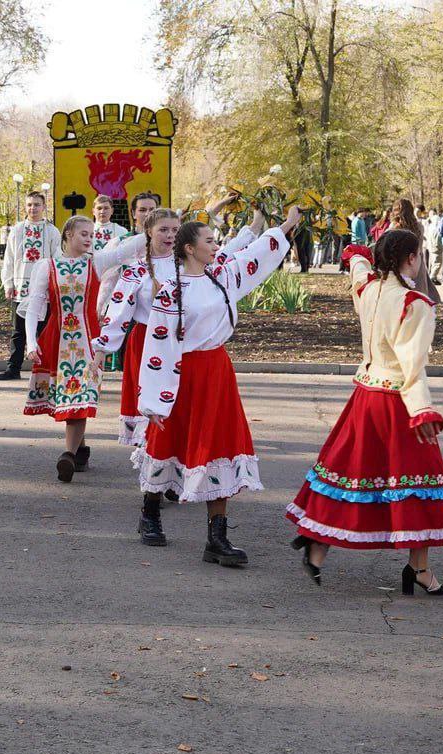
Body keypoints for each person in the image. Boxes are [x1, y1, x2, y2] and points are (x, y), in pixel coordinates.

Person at [105, 206, 302, 566]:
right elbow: (159, 348)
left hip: (217, 373)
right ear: (190, 248)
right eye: (209, 241)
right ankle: (150, 514)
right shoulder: (170, 292)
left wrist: (286, 226)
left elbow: (255, 255)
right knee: (166, 441)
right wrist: (153, 402)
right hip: (181, 373)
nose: (216, 246)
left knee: (221, 445)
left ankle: (217, 537)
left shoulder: (221, 276)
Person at [287, 232, 443, 594]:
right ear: (412, 258)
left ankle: (318, 546)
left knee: (351, 472)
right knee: (418, 485)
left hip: (365, 396)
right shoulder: (415, 303)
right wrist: (423, 410)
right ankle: (419, 569)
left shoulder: (370, 290)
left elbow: (359, 268)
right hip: (398, 402)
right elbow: (411, 365)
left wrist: (359, 255)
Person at [23, 215, 147, 481]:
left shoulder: (96, 261)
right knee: (69, 399)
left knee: (79, 397)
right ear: (68, 235)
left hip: (89, 342)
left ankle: (68, 455)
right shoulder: (47, 267)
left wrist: (156, 229)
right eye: (83, 234)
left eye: (91, 234)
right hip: (57, 340)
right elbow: (35, 306)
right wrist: (31, 341)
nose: (90, 239)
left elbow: (127, 249)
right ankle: (79, 449)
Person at [0, 191, 60, 381]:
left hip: (43, 289)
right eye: (30, 204)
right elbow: (9, 258)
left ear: (44, 206)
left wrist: (55, 284)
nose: (33, 208)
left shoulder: (51, 231)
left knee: (42, 330)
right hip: (20, 287)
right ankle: (13, 368)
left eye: (37, 205)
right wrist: (7, 283)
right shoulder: (17, 230)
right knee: (18, 332)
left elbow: (57, 258)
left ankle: (44, 368)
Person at [387, 198, 440, 304]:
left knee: (401, 299)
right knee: (419, 295)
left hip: (400, 264)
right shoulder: (419, 226)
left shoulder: (394, 228)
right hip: (417, 262)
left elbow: (386, 246)